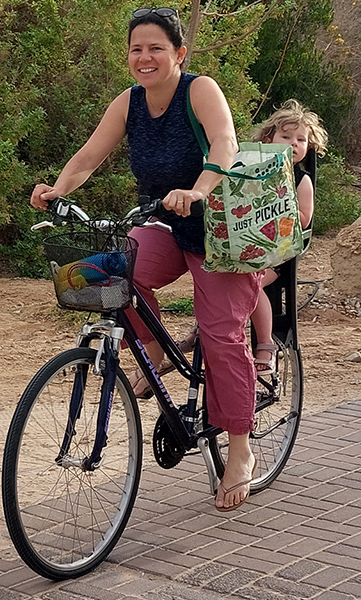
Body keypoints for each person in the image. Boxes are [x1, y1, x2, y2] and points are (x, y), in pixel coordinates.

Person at [30, 7, 260, 512]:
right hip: (162, 220)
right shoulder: (129, 102)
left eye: (156, 47)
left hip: (216, 225)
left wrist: (198, 190)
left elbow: (225, 141)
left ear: (179, 54)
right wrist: (58, 188)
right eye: (137, 48)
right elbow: (91, 154)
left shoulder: (199, 90)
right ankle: (154, 347)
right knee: (108, 273)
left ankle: (240, 447)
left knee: (220, 331)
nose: (145, 57)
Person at [248, 100, 328, 374]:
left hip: (277, 255)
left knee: (250, 283)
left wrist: (280, 209)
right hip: (246, 247)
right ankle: (202, 330)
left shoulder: (300, 180)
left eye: (301, 139)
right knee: (212, 277)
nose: (294, 143)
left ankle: (265, 344)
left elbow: (305, 219)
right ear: (268, 138)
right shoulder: (251, 171)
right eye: (286, 136)